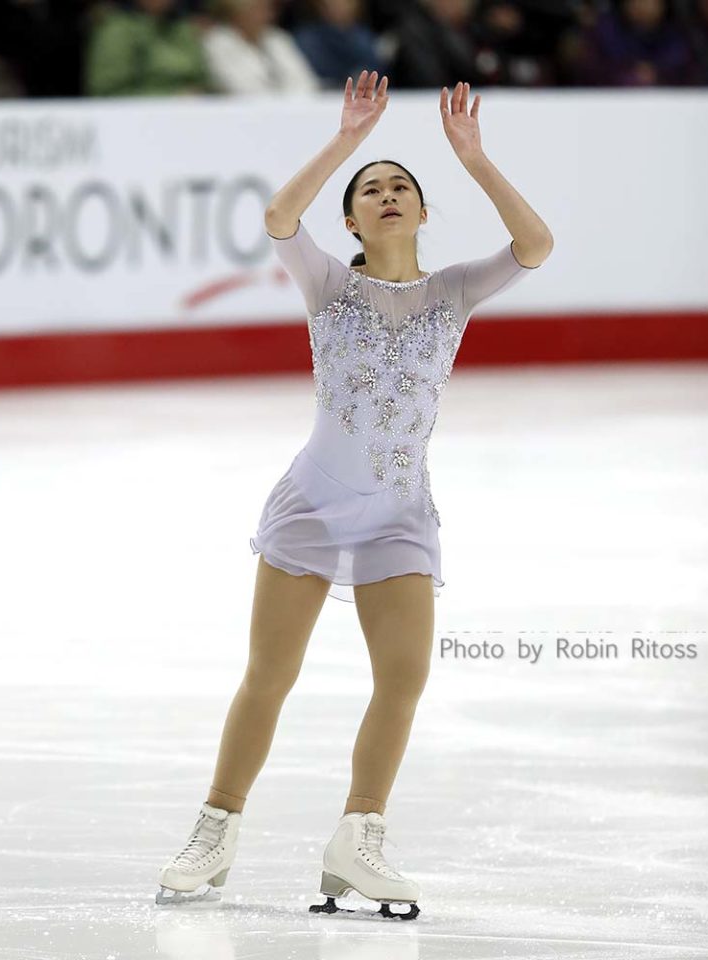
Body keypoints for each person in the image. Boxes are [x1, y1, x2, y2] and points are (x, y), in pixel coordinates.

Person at [156, 69, 553, 917]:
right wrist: (348, 140)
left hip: (399, 516)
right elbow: (277, 220)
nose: (387, 194)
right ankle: (216, 827)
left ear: (420, 210)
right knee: (270, 674)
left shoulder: (454, 291)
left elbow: (535, 246)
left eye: (401, 186)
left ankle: (359, 836)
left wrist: (474, 160)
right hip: (311, 504)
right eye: (371, 189)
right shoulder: (330, 285)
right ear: (352, 219)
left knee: (403, 680)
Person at [85, 0, 211, 96]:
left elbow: (201, 77)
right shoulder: (116, 29)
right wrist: (172, 98)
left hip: (192, 115)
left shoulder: (184, 27)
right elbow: (107, 92)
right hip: (136, 120)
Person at [202, 0, 320, 95]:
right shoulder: (218, 43)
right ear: (238, 12)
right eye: (257, 8)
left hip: (292, 109)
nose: (267, 14)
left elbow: (305, 80)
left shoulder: (277, 38)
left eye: (267, 8)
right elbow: (240, 88)